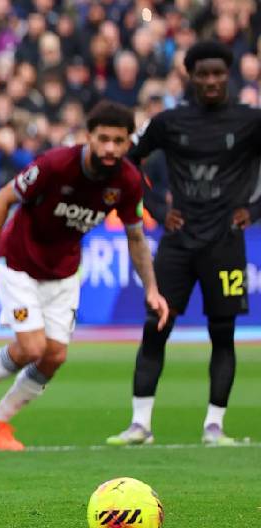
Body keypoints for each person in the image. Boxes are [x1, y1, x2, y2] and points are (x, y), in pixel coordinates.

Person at [0, 101, 169, 451]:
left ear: (129, 142)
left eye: (118, 141)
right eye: (103, 139)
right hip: (20, 261)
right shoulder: (56, 164)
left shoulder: (128, 181)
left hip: (64, 270)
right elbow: (2, 200)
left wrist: (152, 289)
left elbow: (135, 237)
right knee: (32, 347)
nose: (110, 148)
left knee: (54, 356)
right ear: (89, 136)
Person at [108, 41, 261, 447]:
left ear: (227, 75)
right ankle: (140, 425)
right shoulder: (168, 122)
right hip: (178, 242)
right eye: (203, 74)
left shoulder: (250, 120)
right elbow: (127, 161)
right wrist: (157, 207)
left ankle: (214, 426)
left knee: (223, 334)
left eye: (217, 73)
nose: (211, 81)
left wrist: (254, 209)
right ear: (189, 77)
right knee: (155, 327)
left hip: (226, 244)